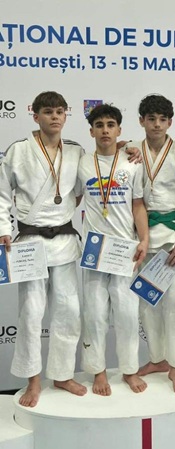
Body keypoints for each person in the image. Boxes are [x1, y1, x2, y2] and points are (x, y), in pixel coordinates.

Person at [0, 92, 87, 407]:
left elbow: (82, 189)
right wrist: (4, 229)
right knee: (31, 313)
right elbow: (2, 193)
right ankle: (33, 381)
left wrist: (123, 149)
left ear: (66, 115)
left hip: (63, 240)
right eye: (48, 112)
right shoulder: (19, 150)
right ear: (35, 115)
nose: (55, 117)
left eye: (60, 111)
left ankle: (62, 374)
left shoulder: (76, 151)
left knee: (68, 310)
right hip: (30, 242)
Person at [77, 104, 149, 395]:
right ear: (91, 131)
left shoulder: (132, 162)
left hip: (124, 250)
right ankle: (98, 372)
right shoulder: (82, 163)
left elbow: (138, 205)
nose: (105, 130)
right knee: (94, 315)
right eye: (99, 125)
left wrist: (144, 240)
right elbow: (70, 198)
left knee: (128, 315)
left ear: (119, 130)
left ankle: (130, 370)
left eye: (110, 125)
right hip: (94, 251)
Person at [134, 95, 175, 393]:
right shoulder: (133, 151)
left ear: (170, 122)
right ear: (141, 121)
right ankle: (157, 359)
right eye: (151, 119)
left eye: (162, 119)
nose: (156, 125)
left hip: (172, 236)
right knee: (147, 302)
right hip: (142, 235)